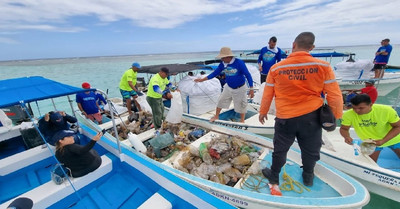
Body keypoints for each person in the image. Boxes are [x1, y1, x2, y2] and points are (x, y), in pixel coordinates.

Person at [258, 32, 343, 195]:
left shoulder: (277, 68)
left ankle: (274, 176)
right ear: (312, 47)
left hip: (285, 117)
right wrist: (336, 117)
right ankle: (308, 176)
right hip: (312, 116)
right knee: (311, 149)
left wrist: (263, 112)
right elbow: (335, 95)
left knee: (280, 149)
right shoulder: (323, 66)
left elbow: (268, 93)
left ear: (293, 45)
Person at [195, 47, 254, 123]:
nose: (222, 59)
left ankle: (242, 121)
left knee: (242, 105)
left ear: (228, 57)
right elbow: (214, 73)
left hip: (240, 87)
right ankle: (216, 116)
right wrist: (202, 80)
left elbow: (248, 75)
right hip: (228, 86)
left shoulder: (239, 63)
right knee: (221, 101)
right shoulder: (223, 64)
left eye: (223, 57)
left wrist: (251, 89)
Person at [340, 94, 400, 162]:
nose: (356, 111)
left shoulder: (387, 110)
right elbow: (344, 129)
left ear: (371, 105)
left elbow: (398, 127)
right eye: (354, 108)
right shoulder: (348, 114)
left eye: (360, 108)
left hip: (393, 138)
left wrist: (383, 140)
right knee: (370, 163)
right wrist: (346, 137)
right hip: (370, 141)